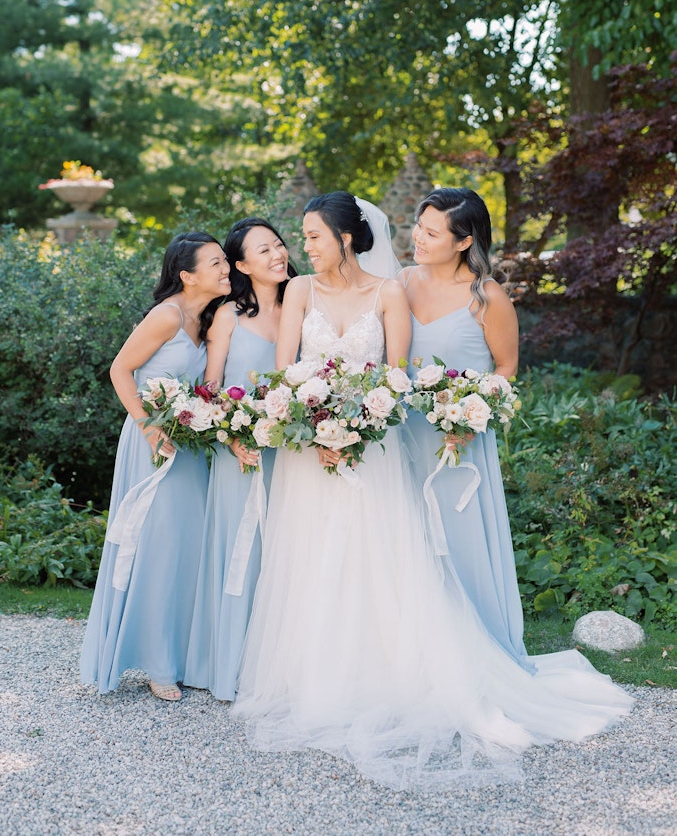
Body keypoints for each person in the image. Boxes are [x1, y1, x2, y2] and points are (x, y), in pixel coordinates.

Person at [232, 192, 632, 791]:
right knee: (310, 560)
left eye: (312, 235)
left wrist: (367, 426)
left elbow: (402, 378)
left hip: (390, 444)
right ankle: (315, 677)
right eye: (416, 229)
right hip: (311, 452)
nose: (300, 248)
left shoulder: (430, 294)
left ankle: (399, 671)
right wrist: (308, 423)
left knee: (388, 557)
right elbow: (287, 370)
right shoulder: (336, 288)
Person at [80, 232, 231, 701]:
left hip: (189, 444)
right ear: (187, 276)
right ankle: (157, 663)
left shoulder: (205, 318)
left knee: (186, 546)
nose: (226, 268)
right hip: (152, 444)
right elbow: (120, 370)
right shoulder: (165, 315)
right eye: (216, 263)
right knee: (157, 544)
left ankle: (181, 654)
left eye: (225, 260)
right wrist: (150, 429)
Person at [399, 187, 530, 667]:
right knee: (404, 535)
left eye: (432, 232)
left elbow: (507, 368)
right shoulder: (401, 282)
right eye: (419, 226)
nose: (419, 237)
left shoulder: (487, 296)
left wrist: (470, 418)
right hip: (402, 436)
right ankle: (415, 654)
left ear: (463, 240)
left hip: (459, 442)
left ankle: (476, 651)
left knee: (458, 539)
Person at [185, 218, 295, 700]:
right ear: (242, 265)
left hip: (291, 452)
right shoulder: (228, 314)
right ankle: (226, 663)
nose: (277, 254)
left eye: (279, 244)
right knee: (238, 548)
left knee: (287, 551)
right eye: (262, 250)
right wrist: (232, 435)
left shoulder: (302, 304)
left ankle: (278, 667)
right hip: (240, 450)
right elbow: (208, 386)